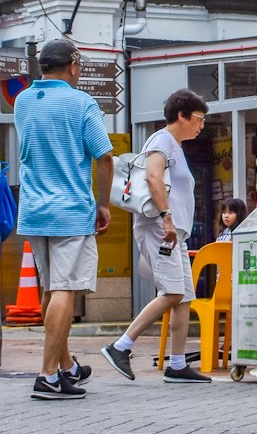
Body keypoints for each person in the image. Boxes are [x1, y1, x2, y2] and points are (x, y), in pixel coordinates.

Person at [13, 38, 114, 401]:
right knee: (65, 289)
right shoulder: (81, 102)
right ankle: (46, 376)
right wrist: (104, 204)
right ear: (73, 66)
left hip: (35, 209)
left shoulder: (23, 101)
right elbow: (103, 157)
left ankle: (66, 366)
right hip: (70, 209)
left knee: (52, 288)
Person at [101, 89, 212, 384]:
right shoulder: (162, 139)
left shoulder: (173, 144)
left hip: (172, 232)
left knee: (184, 297)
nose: (202, 125)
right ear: (182, 115)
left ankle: (176, 364)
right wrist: (167, 217)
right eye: (199, 118)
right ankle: (120, 346)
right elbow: (153, 176)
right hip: (160, 228)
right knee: (173, 292)